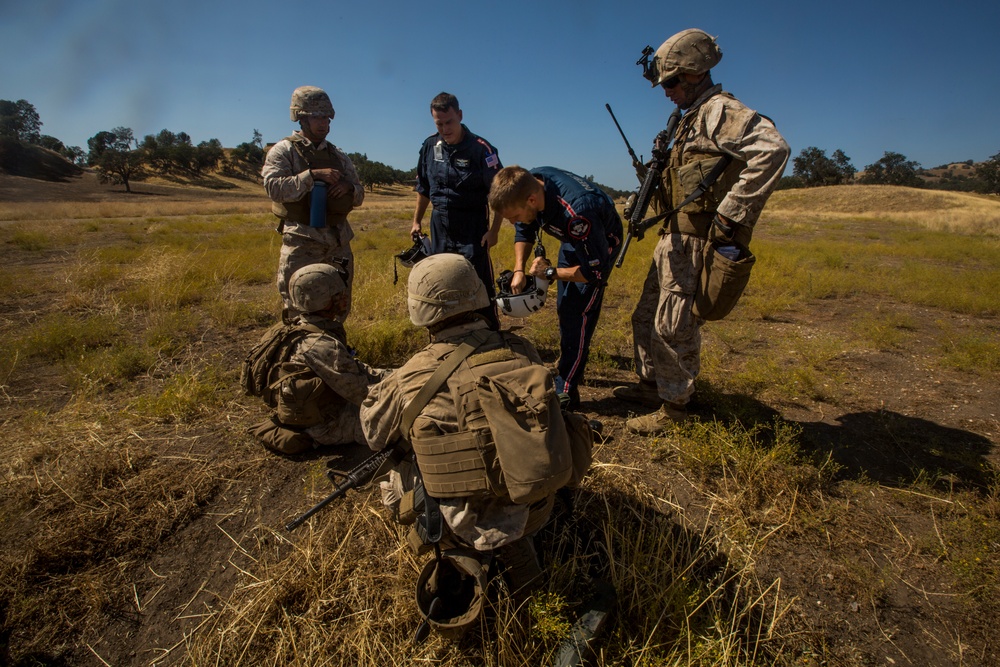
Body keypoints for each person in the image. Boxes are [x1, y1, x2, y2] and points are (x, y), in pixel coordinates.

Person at [361, 253, 592, 631]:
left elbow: (373, 435)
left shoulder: (409, 377)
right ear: (479, 295)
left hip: (454, 527)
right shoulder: (521, 350)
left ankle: (463, 555)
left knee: (393, 472)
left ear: (420, 311)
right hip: (536, 510)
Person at [613, 29, 790, 435]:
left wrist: (732, 214)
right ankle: (652, 386)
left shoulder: (719, 110)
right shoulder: (686, 118)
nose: (667, 91)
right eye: (664, 83)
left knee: (674, 324)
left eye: (672, 82)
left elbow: (773, 150)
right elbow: (683, 182)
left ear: (695, 73)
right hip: (670, 239)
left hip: (694, 241)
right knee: (646, 316)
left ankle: (675, 409)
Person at [488, 166, 623, 410]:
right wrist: (519, 269)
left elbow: (594, 272)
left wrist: (549, 273)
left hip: (599, 244)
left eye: (515, 215)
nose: (512, 222)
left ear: (532, 200)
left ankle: (568, 389)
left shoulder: (578, 214)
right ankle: (567, 364)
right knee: (565, 307)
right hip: (573, 242)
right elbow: (524, 230)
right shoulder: (529, 182)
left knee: (579, 314)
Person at [251, 263, 387, 455]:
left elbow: (351, 368)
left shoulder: (293, 328)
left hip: (311, 410)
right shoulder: (321, 345)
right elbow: (365, 394)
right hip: (326, 426)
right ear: (326, 301)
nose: (345, 299)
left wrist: (394, 374)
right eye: (339, 295)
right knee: (404, 417)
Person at [263, 86, 364, 321]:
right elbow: (274, 188)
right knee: (299, 308)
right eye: (317, 117)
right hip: (302, 244)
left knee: (339, 307)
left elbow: (359, 195)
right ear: (301, 117)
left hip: (338, 245)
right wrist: (312, 176)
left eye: (326, 118)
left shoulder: (338, 156)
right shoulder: (284, 151)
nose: (323, 124)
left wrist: (349, 188)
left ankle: (337, 353)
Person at [411, 92, 503, 328]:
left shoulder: (482, 150)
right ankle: (449, 334)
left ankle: (490, 332)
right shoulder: (430, 146)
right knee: (441, 282)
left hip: (472, 229)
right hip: (439, 225)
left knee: (478, 283)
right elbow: (423, 188)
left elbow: (500, 195)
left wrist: (493, 232)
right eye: (439, 123)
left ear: (460, 116)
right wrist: (416, 222)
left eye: (449, 122)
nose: (445, 128)